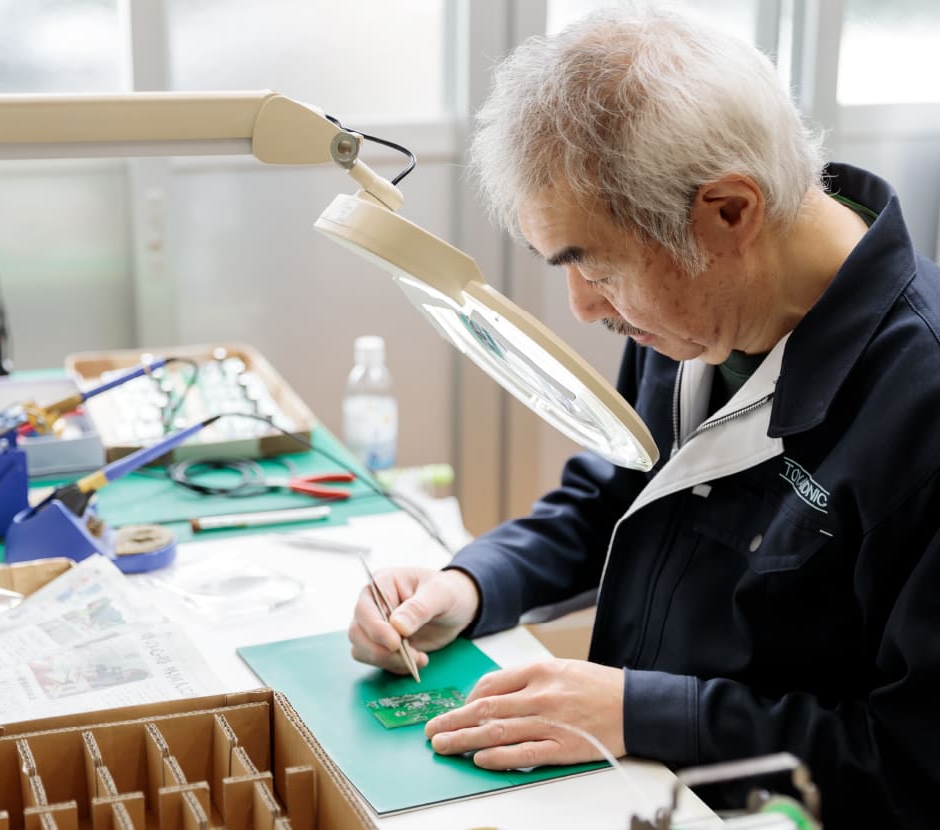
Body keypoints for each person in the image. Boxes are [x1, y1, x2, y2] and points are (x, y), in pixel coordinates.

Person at [347, 6, 940, 828]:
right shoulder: (703, 309)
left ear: (729, 211)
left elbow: (914, 765)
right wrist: (472, 584)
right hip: (640, 786)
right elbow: (619, 495)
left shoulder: (921, 407)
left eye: (597, 268)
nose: (585, 308)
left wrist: (641, 713)